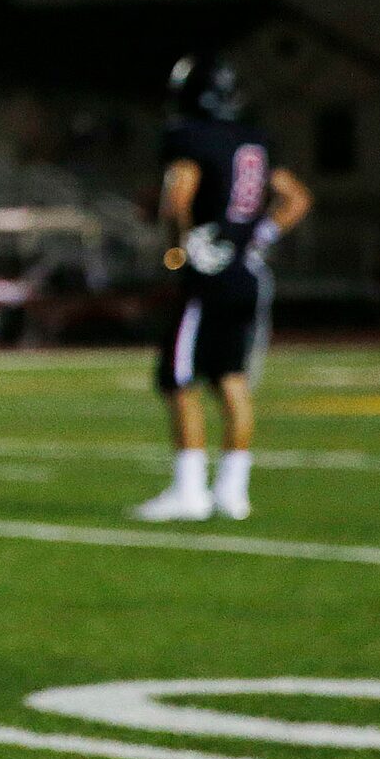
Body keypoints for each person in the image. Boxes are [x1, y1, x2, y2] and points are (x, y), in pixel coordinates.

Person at [134, 55, 310, 523]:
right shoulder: (255, 139)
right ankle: (233, 492)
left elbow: (177, 200)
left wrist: (177, 250)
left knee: (178, 377)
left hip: (207, 273)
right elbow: (295, 198)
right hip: (247, 272)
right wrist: (258, 236)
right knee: (231, 378)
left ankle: (189, 491)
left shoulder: (187, 137)